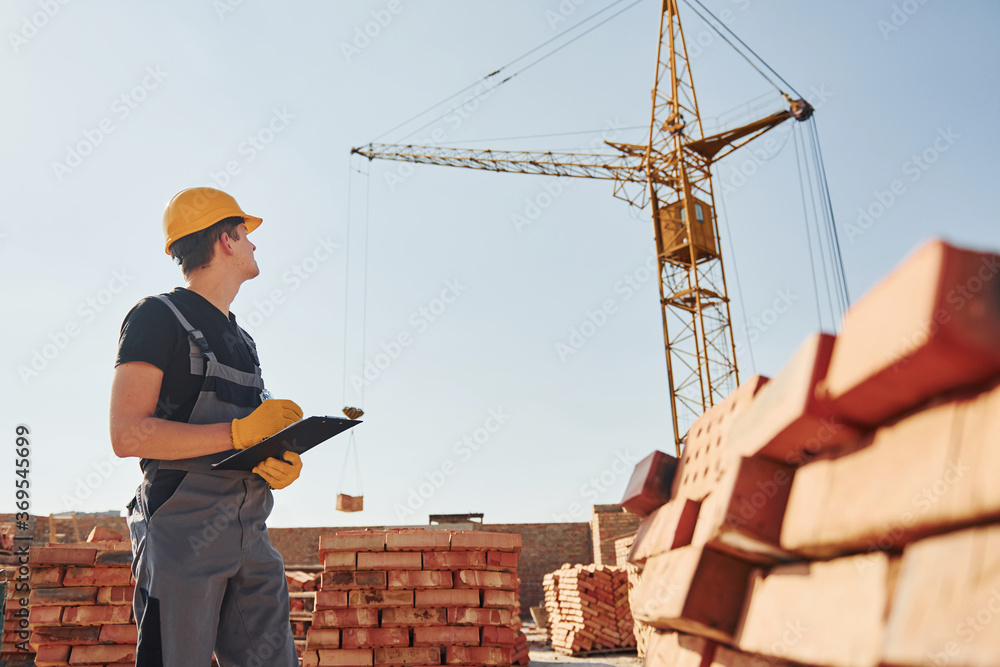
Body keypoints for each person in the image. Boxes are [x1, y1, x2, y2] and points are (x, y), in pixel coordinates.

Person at [110, 187, 304, 667]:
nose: (255, 245)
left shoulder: (244, 340)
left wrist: (278, 457)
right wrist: (239, 435)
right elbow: (127, 434)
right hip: (181, 534)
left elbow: (254, 432)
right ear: (225, 240)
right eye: (247, 234)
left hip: (251, 532)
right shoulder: (157, 317)